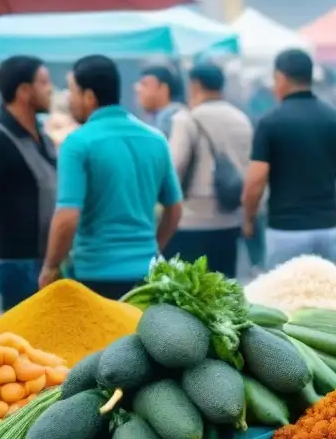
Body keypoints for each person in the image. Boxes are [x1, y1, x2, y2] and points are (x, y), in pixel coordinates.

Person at [40, 56, 182, 299]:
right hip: (147, 277)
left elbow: (67, 217)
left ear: (89, 97)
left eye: (73, 91)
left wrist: (50, 266)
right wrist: (152, 248)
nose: (69, 100)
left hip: (94, 276)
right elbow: (175, 208)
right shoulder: (155, 139)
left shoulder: (78, 142)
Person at [242, 49, 336, 269]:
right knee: (324, 298)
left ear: (282, 78)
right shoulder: (334, 120)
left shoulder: (270, 123)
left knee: (283, 301)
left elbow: (255, 182)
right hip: (326, 231)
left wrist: (249, 218)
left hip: (285, 232)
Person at [0, 55, 57, 310]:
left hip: (46, 263)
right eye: (44, 82)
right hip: (11, 269)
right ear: (24, 91)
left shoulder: (45, 141)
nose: (50, 89)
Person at [166, 63, 253, 278]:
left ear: (194, 85)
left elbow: (173, 167)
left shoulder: (186, 119)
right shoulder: (241, 119)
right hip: (230, 220)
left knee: (188, 295)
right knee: (222, 291)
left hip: (191, 222)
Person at [135, 65, 186, 138]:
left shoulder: (172, 117)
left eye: (145, 84)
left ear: (163, 89)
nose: (139, 90)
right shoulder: (153, 116)